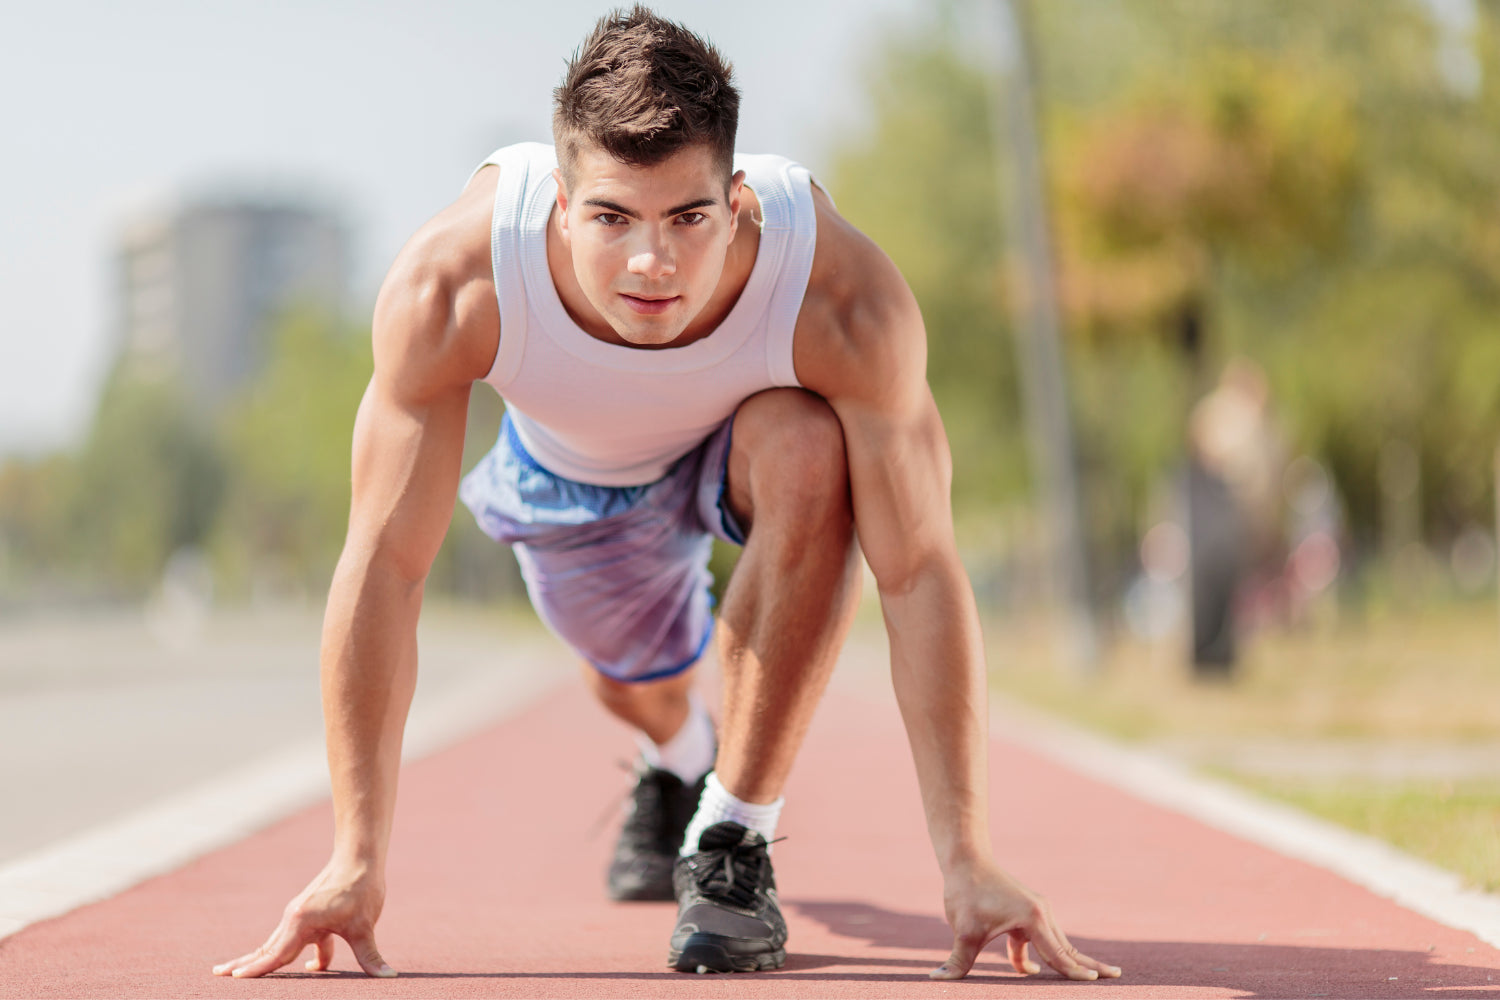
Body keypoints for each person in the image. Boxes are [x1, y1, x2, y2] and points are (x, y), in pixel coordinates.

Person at [212, 5, 1121, 982]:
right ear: (561, 206)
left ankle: (731, 838)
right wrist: (356, 856)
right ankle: (680, 752)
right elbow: (385, 565)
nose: (653, 263)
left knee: (814, 448)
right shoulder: (456, 285)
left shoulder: (841, 298)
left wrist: (967, 856)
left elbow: (918, 568)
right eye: (612, 218)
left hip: (748, 445)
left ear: (735, 201)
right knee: (630, 685)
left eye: (688, 218)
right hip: (579, 483)